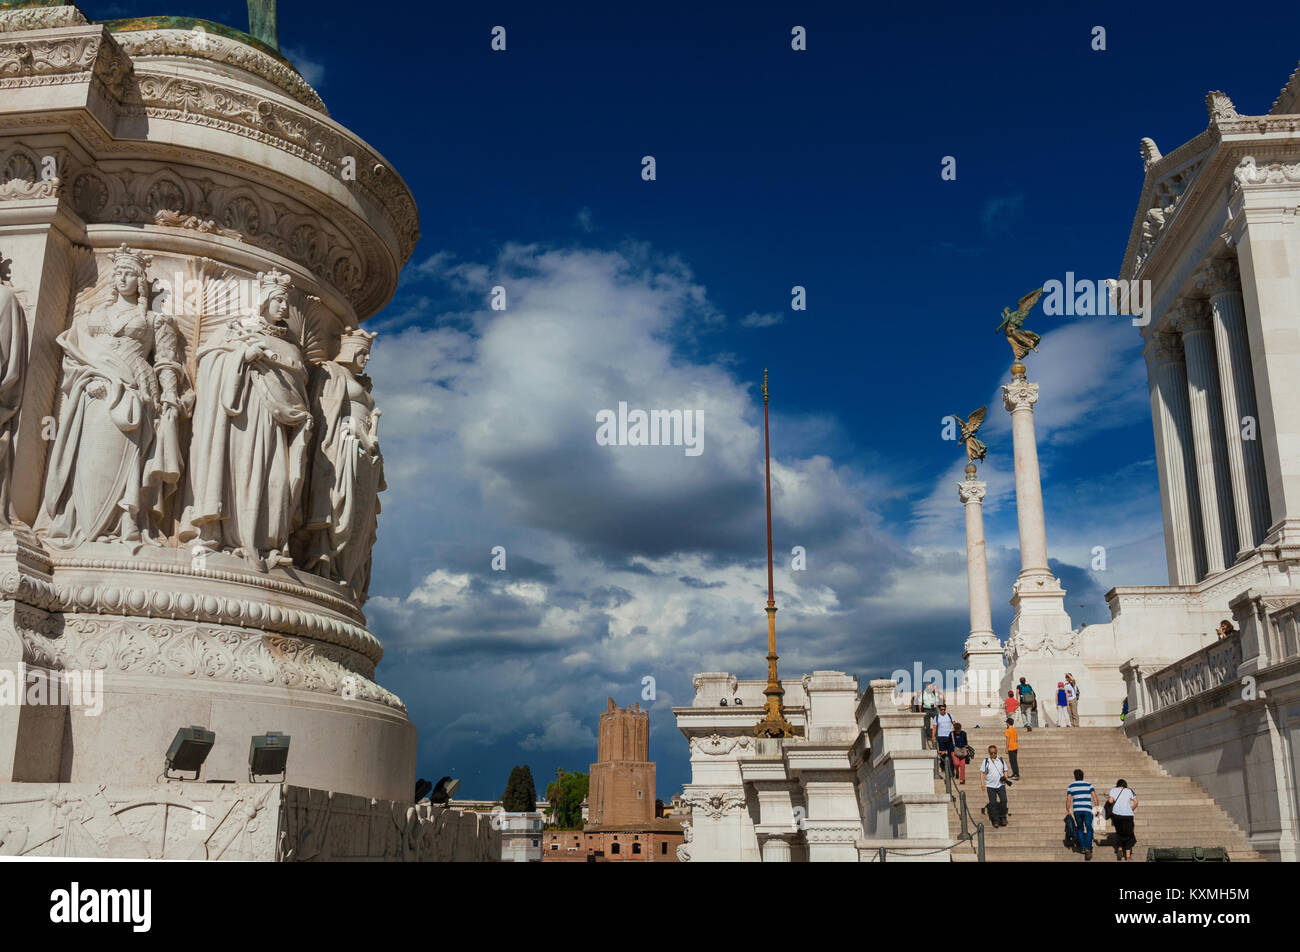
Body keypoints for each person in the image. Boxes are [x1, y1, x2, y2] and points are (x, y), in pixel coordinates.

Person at [1067, 768, 1099, 860]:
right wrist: (1097, 808)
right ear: (1082, 776)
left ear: (1075, 777)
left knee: (1080, 829)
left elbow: (1069, 799)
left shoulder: (1071, 786)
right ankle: (1088, 848)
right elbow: (1094, 797)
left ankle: (1083, 847)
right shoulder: (1088, 784)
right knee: (1089, 829)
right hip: (1087, 810)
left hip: (1077, 810)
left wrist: (1067, 810)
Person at [1107, 779, 1139, 861]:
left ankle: (1120, 849)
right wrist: (1131, 809)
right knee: (1129, 834)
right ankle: (1128, 857)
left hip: (1116, 815)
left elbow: (1110, 801)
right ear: (1125, 785)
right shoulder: (1129, 790)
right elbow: (1136, 802)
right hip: (1128, 815)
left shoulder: (1113, 789)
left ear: (1117, 784)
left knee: (1119, 832)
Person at [981, 745, 1010, 828]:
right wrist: (982, 784)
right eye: (991, 753)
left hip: (1000, 785)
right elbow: (982, 773)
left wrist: (1005, 779)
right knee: (993, 803)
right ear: (989, 753)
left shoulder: (1001, 760)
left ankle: (1002, 817)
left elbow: (1006, 770)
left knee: (1004, 800)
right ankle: (995, 820)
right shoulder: (986, 761)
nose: (993, 754)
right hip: (990, 786)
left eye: (995, 753)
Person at [932, 703, 956, 772]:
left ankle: (951, 769)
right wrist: (933, 737)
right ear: (939, 709)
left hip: (949, 737)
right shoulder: (936, 717)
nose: (943, 711)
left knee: (951, 753)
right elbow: (934, 728)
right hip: (941, 737)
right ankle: (944, 767)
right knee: (942, 753)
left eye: (944, 709)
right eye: (941, 709)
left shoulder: (950, 715)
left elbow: (955, 724)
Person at [920, 680, 941, 748]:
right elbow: (920, 703)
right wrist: (920, 712)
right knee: (927, 724)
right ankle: (928, 736)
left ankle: (937, 735)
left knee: (937, 723)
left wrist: (937, 709)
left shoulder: (933, 693)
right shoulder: (923, 693)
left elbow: (937, 701)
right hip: (926, 709)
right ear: (926, 687)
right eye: (928, 688)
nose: (930, 689)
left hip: (934, 709)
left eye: (930, 688)